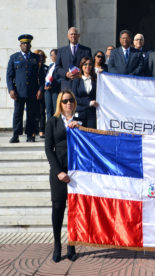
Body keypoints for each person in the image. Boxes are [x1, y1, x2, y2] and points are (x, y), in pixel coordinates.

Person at [45, 90, 80, 263]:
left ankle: (71, 245)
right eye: (65, 101)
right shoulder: (52, 121)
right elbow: (48, 148)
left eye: (71, 100)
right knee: (58, 209)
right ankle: (57, 245)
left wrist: (79, 128)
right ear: (60, 103)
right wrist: (58, 171)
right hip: (59, 172)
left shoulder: (80, 121)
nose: (68, 103)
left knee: (73, 210)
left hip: (76, 172)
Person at [6, 34, 44, 143]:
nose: (26, 45)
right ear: (20, 45)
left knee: (31, 114)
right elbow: (9, 76)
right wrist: (11, 89)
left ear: (30, 45)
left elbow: (41, 76)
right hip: (18, 91)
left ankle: (30, 135)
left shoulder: (36, 58)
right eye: (23, 44)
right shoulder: (14, 58)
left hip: (33, 91)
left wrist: (41, 89)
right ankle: (16, 134)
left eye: (27, 43)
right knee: (18, 113)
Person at [72, 57, 98, 128]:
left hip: (92, 113)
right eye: (85, 64)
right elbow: (74, 97)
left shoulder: (96, 79)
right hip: (80, 112)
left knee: (90, 134)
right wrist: (89, 102)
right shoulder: (76, 80)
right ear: (81, 66)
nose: (87, 66)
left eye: (90, 64)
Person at [33, 49, 48, 138]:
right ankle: (33, 130)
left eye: (42, 56)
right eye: (38, 56)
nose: (40, 58)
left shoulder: (46, 67)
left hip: (43, 92)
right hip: (32, 92)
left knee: (42, 112)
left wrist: (42, 90)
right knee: (33, 112)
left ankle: (42, 130)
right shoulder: (32, 67)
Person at [44, 49, 60, 120]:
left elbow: (61, 79)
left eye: (52, 55)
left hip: (55, 91)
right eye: (50, 55)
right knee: (48, 110)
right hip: (48, 91)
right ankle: (49, 127)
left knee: (55, 110)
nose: (51, 57)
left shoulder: (60, 66)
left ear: (57, 55)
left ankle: (56, 127)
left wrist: (53, 85)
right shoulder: (50, 66)